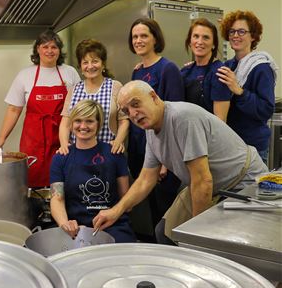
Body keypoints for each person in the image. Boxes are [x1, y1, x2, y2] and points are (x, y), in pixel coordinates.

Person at [93, 80, 268, 244]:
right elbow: (146, 179)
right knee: (164, 232)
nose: (132, 114)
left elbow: (203, 181)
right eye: (126, 110)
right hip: (207, 186)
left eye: (135, 104)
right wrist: (116, 211)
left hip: (241, 184)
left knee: (216, 246)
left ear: (153, 97)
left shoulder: (183, 118)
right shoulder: (151, 130)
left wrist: (197, 235)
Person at [0, 30, 80, 188]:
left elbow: (79, 106)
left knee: (63, 177)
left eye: (54, 47)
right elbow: (14, 109)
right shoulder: (25, 75)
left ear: (59, 50)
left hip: (62, 135)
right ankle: (36, 209)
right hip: (33, 138)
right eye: (45, 46)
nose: (49, 51)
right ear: (37, 50)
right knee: (34, 177)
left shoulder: (70, 72)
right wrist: (2, 136)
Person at [127, 18, 185, 233]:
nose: (139, 40)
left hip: (163, 155)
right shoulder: (137, 71)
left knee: (166, 214)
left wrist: (165, 163)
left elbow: (174, 116)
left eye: (144, 36)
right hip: (140, 150)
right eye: (135, 37)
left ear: (155, 39)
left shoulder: (167, 69)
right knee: (150, 209)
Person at [50, 99, 136, 243]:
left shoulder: (114, 153)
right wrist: (65, 224)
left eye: (89, 121)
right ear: (71, 124)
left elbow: (125, 199)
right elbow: (57, 198)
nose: (83, 126)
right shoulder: (61, 157)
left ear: (98, 124)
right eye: (78, 121)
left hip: (112, 225)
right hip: (75, 225)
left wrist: (112, 215)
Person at [216, 10, 277, 163]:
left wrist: (240, 91)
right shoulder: (228, 66)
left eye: (242, 31)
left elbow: (266, 110)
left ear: (253, 36)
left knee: (250, 188)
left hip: (253, 147)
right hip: (231, 144)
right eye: (232, 31)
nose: (236, 35)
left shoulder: (261, 67)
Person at [59, 39, 129, 155]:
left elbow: (124, 121)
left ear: (103, 64)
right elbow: (65, 123)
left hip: (108, 151)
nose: (90, 66)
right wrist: (64, 144)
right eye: (85, 62)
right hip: (78, 152)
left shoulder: (115, 87)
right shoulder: (74, 90)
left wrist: (118, 141)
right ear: (80, 66)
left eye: (95, 61)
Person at [180, 18, 231, 121]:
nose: (200, 42)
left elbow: (220, 121)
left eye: (206, 38)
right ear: (190, 41)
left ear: (213, 44)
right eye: (196, 36)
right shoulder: (185, 71)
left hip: (208, 134)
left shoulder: (219, 73)